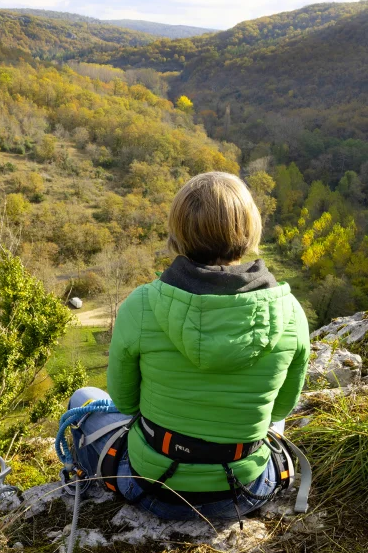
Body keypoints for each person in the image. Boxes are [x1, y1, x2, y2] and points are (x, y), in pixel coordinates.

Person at [67, 171, 310, 521]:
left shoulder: (141, 305)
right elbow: (279, 411)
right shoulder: (291, 314)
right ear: (251, 228)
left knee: (82, 399)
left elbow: (124, 402)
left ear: (178, 233)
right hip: (243, 490)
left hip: (152, 487)